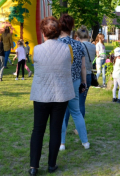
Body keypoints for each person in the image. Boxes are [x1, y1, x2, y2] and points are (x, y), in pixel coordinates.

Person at [29, 16, 75, 176]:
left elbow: (36, 62)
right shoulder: (68, 49)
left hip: (41, 94)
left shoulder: (36, 49)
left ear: (43, 32)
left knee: (38, 130)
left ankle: (33, 167)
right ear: (58, 31)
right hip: (60, 95)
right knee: (55, 129)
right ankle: (51, 164)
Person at [58, 14, 89, 151]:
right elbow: (83, 67)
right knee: (76, 112)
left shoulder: (56, 44)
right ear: (72, 27)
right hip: (75, 81)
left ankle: (62, 143)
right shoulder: (78, 45)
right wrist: (83, 81)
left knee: (60, 113)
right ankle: (85, 142)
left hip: (60, 83)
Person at [77, 25, 96, 118]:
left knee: (72, 102)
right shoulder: (93, 47)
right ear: (88, 35)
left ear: (78, 37)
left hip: (79, 75)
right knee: (82, 102)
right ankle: (79, 127)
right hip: (88, 75)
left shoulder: (78, 46)